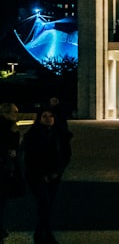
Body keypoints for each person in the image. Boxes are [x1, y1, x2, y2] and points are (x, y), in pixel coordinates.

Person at [23, 107, 69, 244]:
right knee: (44, 203)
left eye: (51, 116)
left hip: (54, 175)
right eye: (44, 116)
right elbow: (31, 158)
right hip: (37, 176)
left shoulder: (60, 135)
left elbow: (66, 155)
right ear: (39, 119)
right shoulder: (32, 136)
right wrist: (42, 174)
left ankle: (42, 232)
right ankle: (43, 233)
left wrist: (57, 172)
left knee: (48, 204)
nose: (48, 119)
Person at [0, 103, 23, 242]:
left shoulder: (11, 126)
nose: (17, 114)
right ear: (6, 113)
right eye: (14, 111)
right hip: (4, 167)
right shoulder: (7, 127)